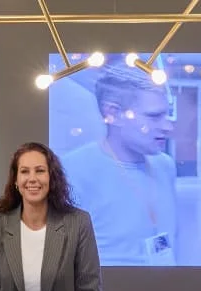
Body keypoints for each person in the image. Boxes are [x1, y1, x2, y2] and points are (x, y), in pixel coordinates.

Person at [0, 142, 104, 291]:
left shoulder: (78, 224)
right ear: (16, 181)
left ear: (51, 177)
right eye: (24, 171)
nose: (32, 178)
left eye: (40, 171)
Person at [60, 64, 178, 266]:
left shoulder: (165, 166)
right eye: (154, 116)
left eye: (167, 115)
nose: (168, 126)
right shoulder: (72, 171)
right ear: (113, 114)